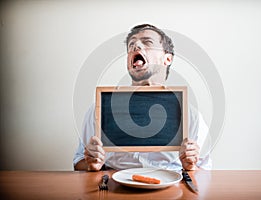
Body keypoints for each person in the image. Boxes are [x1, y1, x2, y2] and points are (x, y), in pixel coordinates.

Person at [73, 24, 211, 171]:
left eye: (147, 42)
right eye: (131, 44)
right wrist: (91, 164)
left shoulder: (191, 116)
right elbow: (78, 162)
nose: (135, 46)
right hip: (113, 187)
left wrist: (191, 166)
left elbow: (206, 172)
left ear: (167, 59)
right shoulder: (99, 109)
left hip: (171, 189)